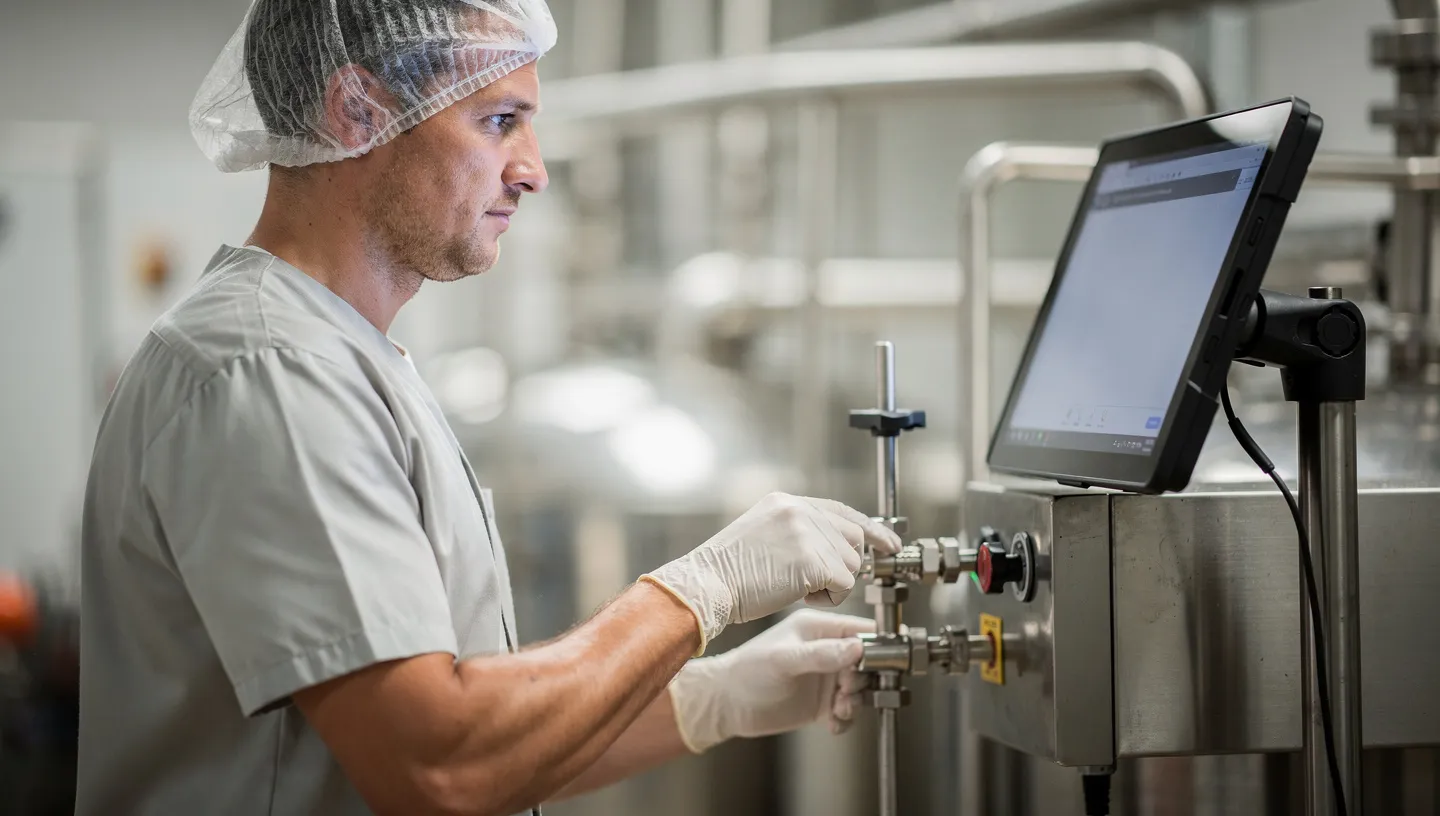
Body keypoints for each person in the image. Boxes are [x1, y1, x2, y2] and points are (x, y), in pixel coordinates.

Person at [75, 2, 900, 814]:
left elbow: (475, 736)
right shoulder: (269, 372)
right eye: (499, 120)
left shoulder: (345, 358)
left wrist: (714, 698)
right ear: (356, 112)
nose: (534, 169)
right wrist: (699, 592)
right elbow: (440, 767)